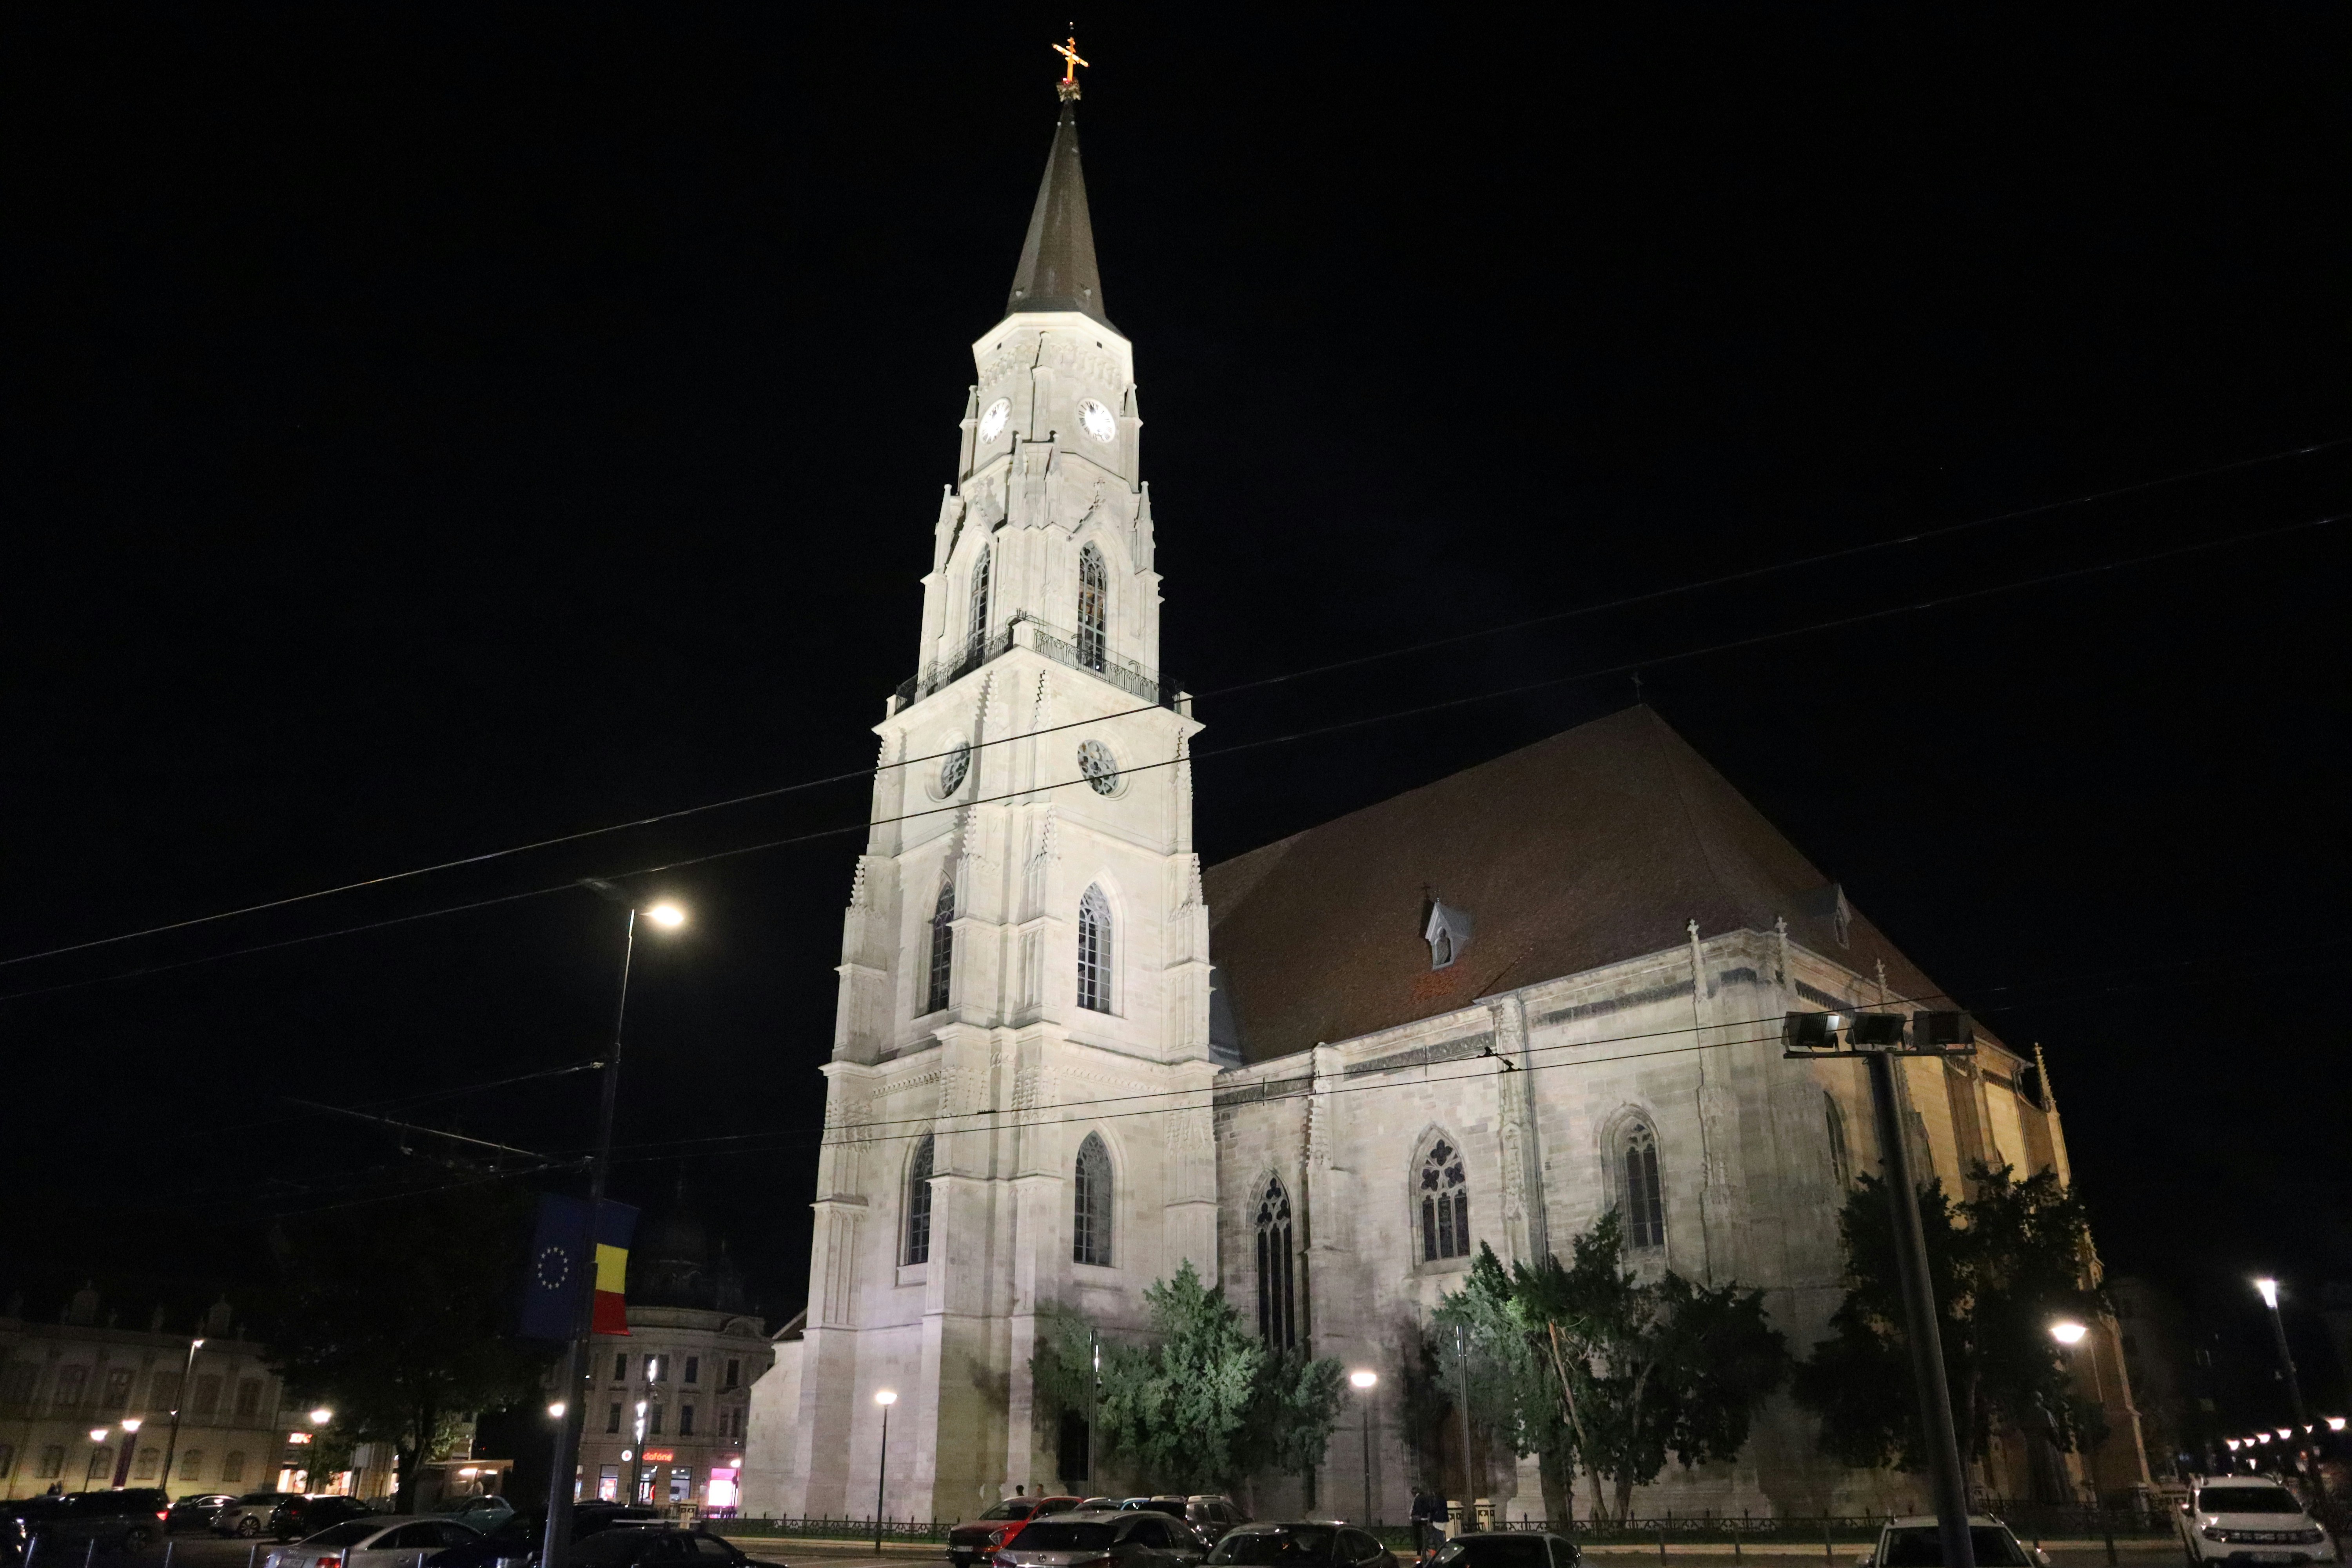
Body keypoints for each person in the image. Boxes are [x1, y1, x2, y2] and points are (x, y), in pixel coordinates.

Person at [1411, 1489, 1446, 1560]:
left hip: (1419, 1520)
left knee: (1420, 1537)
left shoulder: (1417, 1499)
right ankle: (1434, 1550)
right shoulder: (1429, 1499)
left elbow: (1416, 1509)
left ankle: (1425, 1553)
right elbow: (1430, 1509)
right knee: (1430, 1536)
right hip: (1427, 1520)